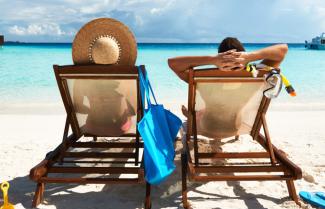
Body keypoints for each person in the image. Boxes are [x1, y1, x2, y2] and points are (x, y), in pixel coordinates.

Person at [168, 37, 288, 137]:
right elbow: (283, 49)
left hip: (207, 128)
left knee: (205, 111)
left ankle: (191, 116)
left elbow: (172, 63)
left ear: (220, 55)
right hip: (235, 128)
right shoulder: (256, 75)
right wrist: (250, 56)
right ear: (244, 54)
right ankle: (193, 115)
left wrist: (212, 60)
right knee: (223, 105)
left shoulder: (203, 78)